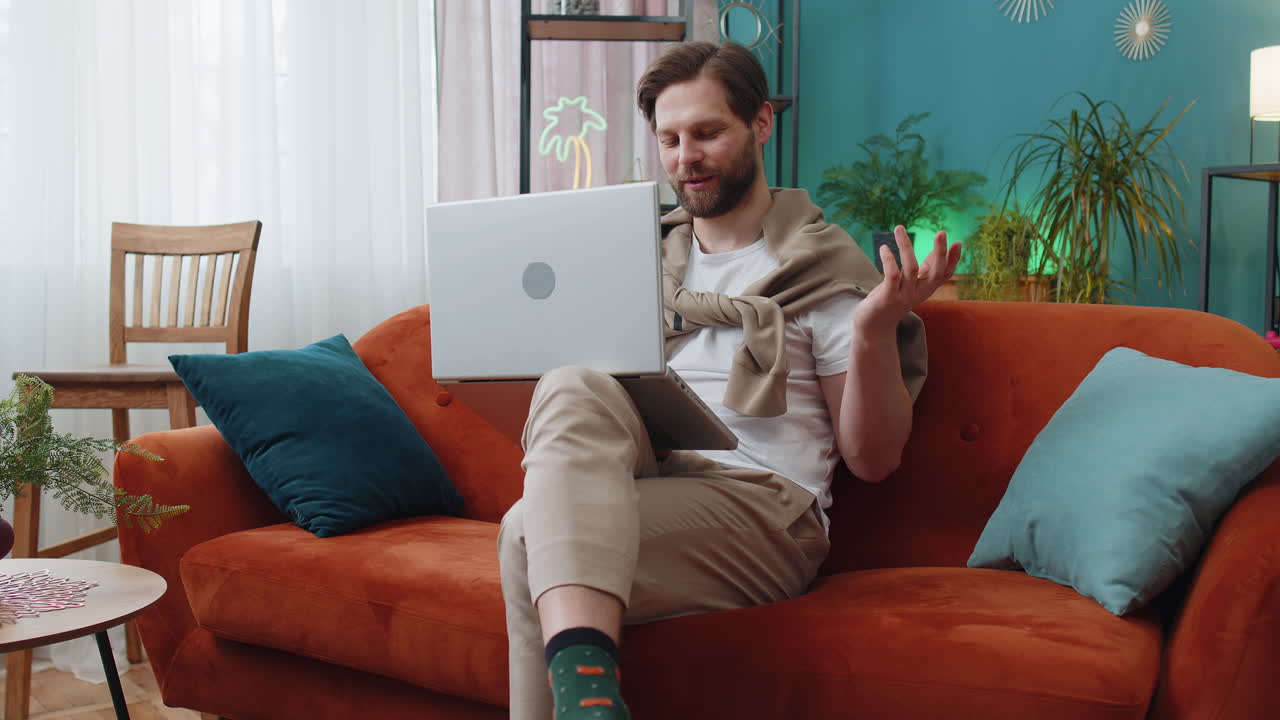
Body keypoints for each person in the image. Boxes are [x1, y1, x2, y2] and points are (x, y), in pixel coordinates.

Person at [497, 40, 961, 720]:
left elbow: (874, 458)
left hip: (765, 509)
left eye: (708, 133)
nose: (686, 157)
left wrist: (872, 331)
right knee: (571, 383)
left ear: (760, 123)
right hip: (650, 473)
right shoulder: (641, 256)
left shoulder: (823, 268)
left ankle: (587, 702)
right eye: (670, 139)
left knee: (524, 534)